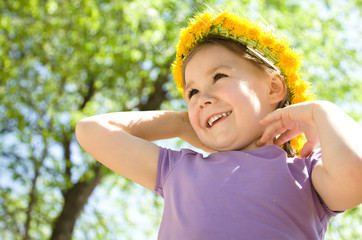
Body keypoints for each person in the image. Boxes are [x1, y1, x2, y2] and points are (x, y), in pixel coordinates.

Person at [75, 11, 362, 240]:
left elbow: (356, 172)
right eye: (192, 93)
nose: (203, 99)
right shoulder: (179, 171)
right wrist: (181, 122)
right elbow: (91, 130)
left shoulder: (307, 173)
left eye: (219, 76)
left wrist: (322, 112)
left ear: (274, 88)